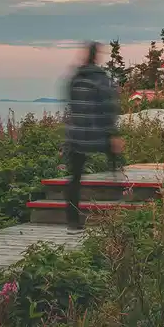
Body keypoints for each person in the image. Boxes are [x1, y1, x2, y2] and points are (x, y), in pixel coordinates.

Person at [63, 42, 123, 231]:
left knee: (75, 177)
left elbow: (71, 105)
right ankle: (120, 196)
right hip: (98, 134)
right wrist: (113, 133)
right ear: (96, 56)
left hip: (77, 135)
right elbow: (108, 108)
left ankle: (72, 219)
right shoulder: (101, 79)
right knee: (116, 161)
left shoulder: (74, 79)